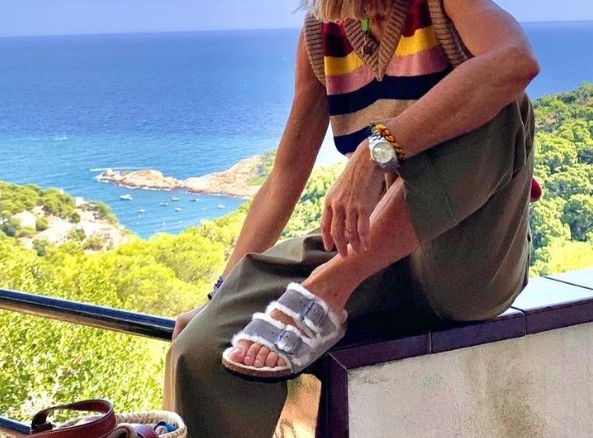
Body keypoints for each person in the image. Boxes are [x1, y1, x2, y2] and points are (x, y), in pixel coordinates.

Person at [164, 0, 539, 436]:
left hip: (466, 262)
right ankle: (325, 287)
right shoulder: (321, 36)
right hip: (375, 246)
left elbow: (514, 62)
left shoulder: (445, 5)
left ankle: (329, 286)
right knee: (202, 350)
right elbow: (284, 178)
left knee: (496, 92)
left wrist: (376, 151)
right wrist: (219, 296)